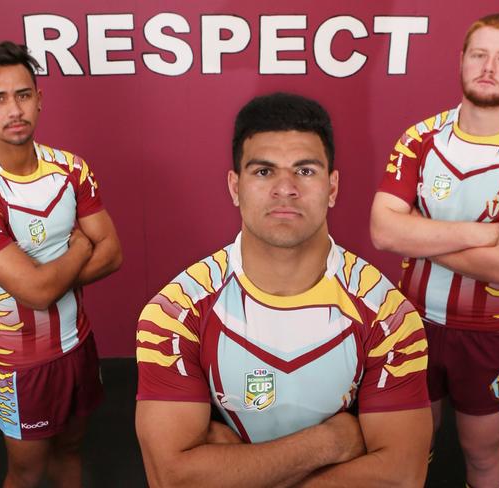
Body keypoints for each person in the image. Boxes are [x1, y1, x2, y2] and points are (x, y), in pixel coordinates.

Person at [135, 92, 432, 487]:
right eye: (263, 172)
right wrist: (329, 443)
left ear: (333, 186)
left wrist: (232, 467)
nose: (285, 188)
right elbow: (173, 479)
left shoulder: (389, 315)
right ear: (234, 186)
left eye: (305, 171)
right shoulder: (174, 311)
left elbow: (400, 477)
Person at [370, 13, 499, 488]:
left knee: (482, 451)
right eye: (479, 54)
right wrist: (484, 233)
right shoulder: (420, 138)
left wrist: (420, 232)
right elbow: (383, 232)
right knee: (413, 443)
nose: (489, 67)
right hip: (411, 320)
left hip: (488, 335)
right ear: (461, 61)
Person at [0, 41, 122, 488]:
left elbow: (114, 253)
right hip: (20, 364)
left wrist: (50, 273)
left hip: (79, 344)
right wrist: (81, 248)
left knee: (71, 450)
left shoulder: (70, 169)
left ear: (39, 100)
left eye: (23, 95)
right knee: (25, 473)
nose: (15, 109)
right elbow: (37, 292)